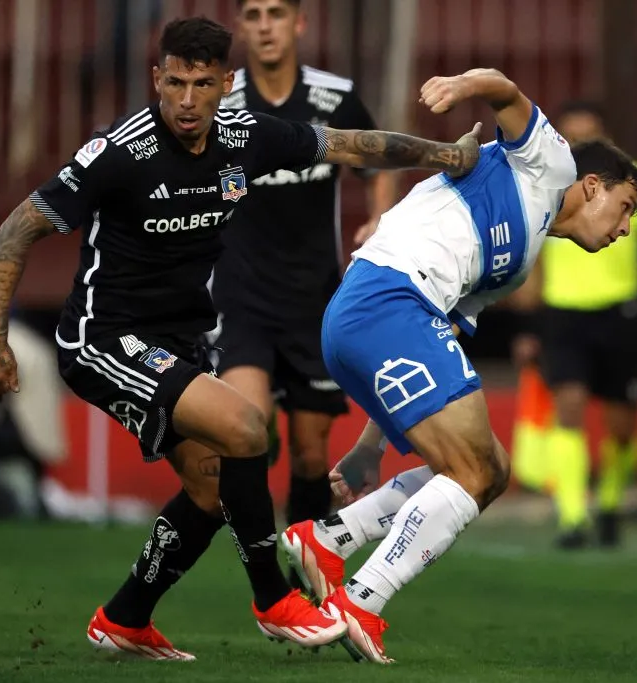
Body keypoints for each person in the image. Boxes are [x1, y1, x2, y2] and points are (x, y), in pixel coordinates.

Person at [0, 17, 480, 661]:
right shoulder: (118, 153)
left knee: (212, 489)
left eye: (203, 84)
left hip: (180, 340)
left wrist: (448, 156)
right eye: (175, 82)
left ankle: (124, 618)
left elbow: (355, 144)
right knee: (247, 429)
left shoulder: (247, 140)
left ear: (225, 84)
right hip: (104, 339)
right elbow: (15, 231)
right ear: (157, 78)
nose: (187, 100)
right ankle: (272, 601)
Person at [278, 69, 637, 664]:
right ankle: (359, 602)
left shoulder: (519, 261)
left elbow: (442, 332)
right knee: (474, 470)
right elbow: (504, 88)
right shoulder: (550, 164)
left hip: (380, 316)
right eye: (625, 205)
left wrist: (374, 445)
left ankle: (329, 538)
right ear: (592, 185)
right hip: (389, 298)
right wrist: (459, 86)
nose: (625, 227)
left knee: (490, 470)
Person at [211, 0, 397, 568]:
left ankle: (306, 563)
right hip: (240, 295)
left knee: (313, 454)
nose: (264, 26)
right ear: (241, 26)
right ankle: (266, 580)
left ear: (298, 22)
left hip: (315, 298)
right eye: (252, 15)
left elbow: (378, 161)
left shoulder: (334, 97)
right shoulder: (223, 99)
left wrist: (377, 218)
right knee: (250, 426)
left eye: (275, 13)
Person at [507, 101, 637, 548]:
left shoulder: (632, 182)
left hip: (622, 312)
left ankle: (612, 499)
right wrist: (527, 323)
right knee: (570, 407)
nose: (577, 143)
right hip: (563, 314)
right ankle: (573, 516)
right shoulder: (550, 181)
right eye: (570, 135)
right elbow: (534, 248)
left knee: (622, 425)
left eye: (586, 135)